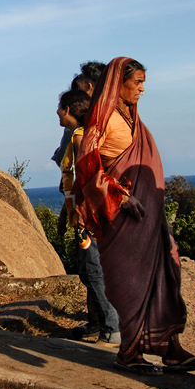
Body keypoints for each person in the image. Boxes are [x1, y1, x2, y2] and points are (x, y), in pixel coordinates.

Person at [73, 57, 195, 375]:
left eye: (143, 83)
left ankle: (171, 349)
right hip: (124, 215)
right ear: (117, 83)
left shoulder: (133, 118)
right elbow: (86, 163)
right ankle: (130, 351)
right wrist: (119, 196)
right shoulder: (103, 117)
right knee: (134, 283)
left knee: (165, 276)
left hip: (148, 215)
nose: (142, 89)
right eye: (137, 83)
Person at [56, 89, 121, 346]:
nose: (57, 112)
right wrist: (65, 215)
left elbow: (91, 176)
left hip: (89, 221)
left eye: (60, 107)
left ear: (69, 110)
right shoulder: (77, 137)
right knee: (87, 271)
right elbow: (73, 182)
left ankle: (112, 328)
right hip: (82, 218)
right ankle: (108, 326)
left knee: (93, 271)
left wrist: (84, 217)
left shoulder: (80, 138)